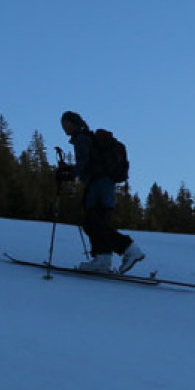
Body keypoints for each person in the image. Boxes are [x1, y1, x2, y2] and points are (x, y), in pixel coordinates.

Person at [58, 110, 144, 274]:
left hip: (98, 185)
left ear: (74, 123)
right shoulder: (88, 138)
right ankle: (102, 259)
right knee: (98, 221)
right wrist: (71, 170)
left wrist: (68, 174)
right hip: (105, 185)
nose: (64, 129)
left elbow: (84, 164)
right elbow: (87, 164)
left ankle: (129, 249)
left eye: (66, 124)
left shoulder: (82, 139)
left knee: (93, 222)